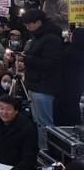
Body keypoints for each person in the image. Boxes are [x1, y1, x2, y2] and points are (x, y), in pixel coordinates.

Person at [21, 9, 63, 149]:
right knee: (38, 122)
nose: (28, 28)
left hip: (44, 87)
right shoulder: (39, 37)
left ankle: (48, 153)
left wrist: (26, 59)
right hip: (36, 85)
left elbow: (49, 63)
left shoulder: (51, 39)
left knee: (45, 124)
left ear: (38, 22)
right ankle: (41, 151)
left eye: (29, 25)